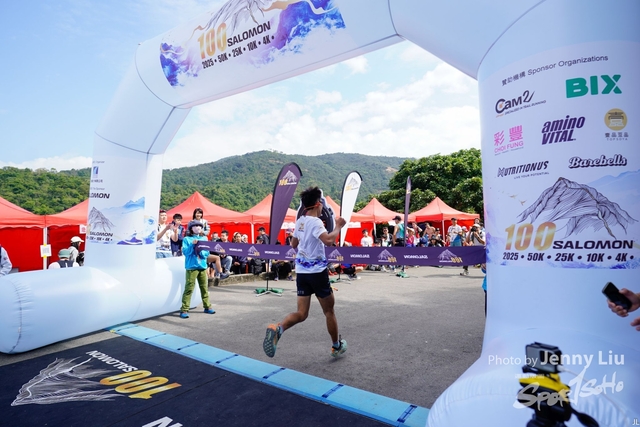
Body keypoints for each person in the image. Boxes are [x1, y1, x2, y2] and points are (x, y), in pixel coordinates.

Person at [263, 186, 347, 358]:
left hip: (301, 272)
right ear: (318, 204)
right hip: (317, 272)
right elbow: (329, 241)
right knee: (329, 311)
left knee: (301, 313)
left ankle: (279, 328)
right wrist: (338, 226)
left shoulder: (300, 221)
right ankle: (336, 346)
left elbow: (293, 244)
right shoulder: (316, 222)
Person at [179, 220, 216, 319]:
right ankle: (184, 309)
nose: (198, 228)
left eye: (199, 226)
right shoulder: (187, 239)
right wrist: (193, 245)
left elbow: (207, 252)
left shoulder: (204, 238)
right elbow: (186, 252)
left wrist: (201, 253)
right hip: (191, 267)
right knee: (189, 288)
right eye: (195, 226)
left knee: (204, 287)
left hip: (202, 266)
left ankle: (207, 306)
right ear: (191, 228)